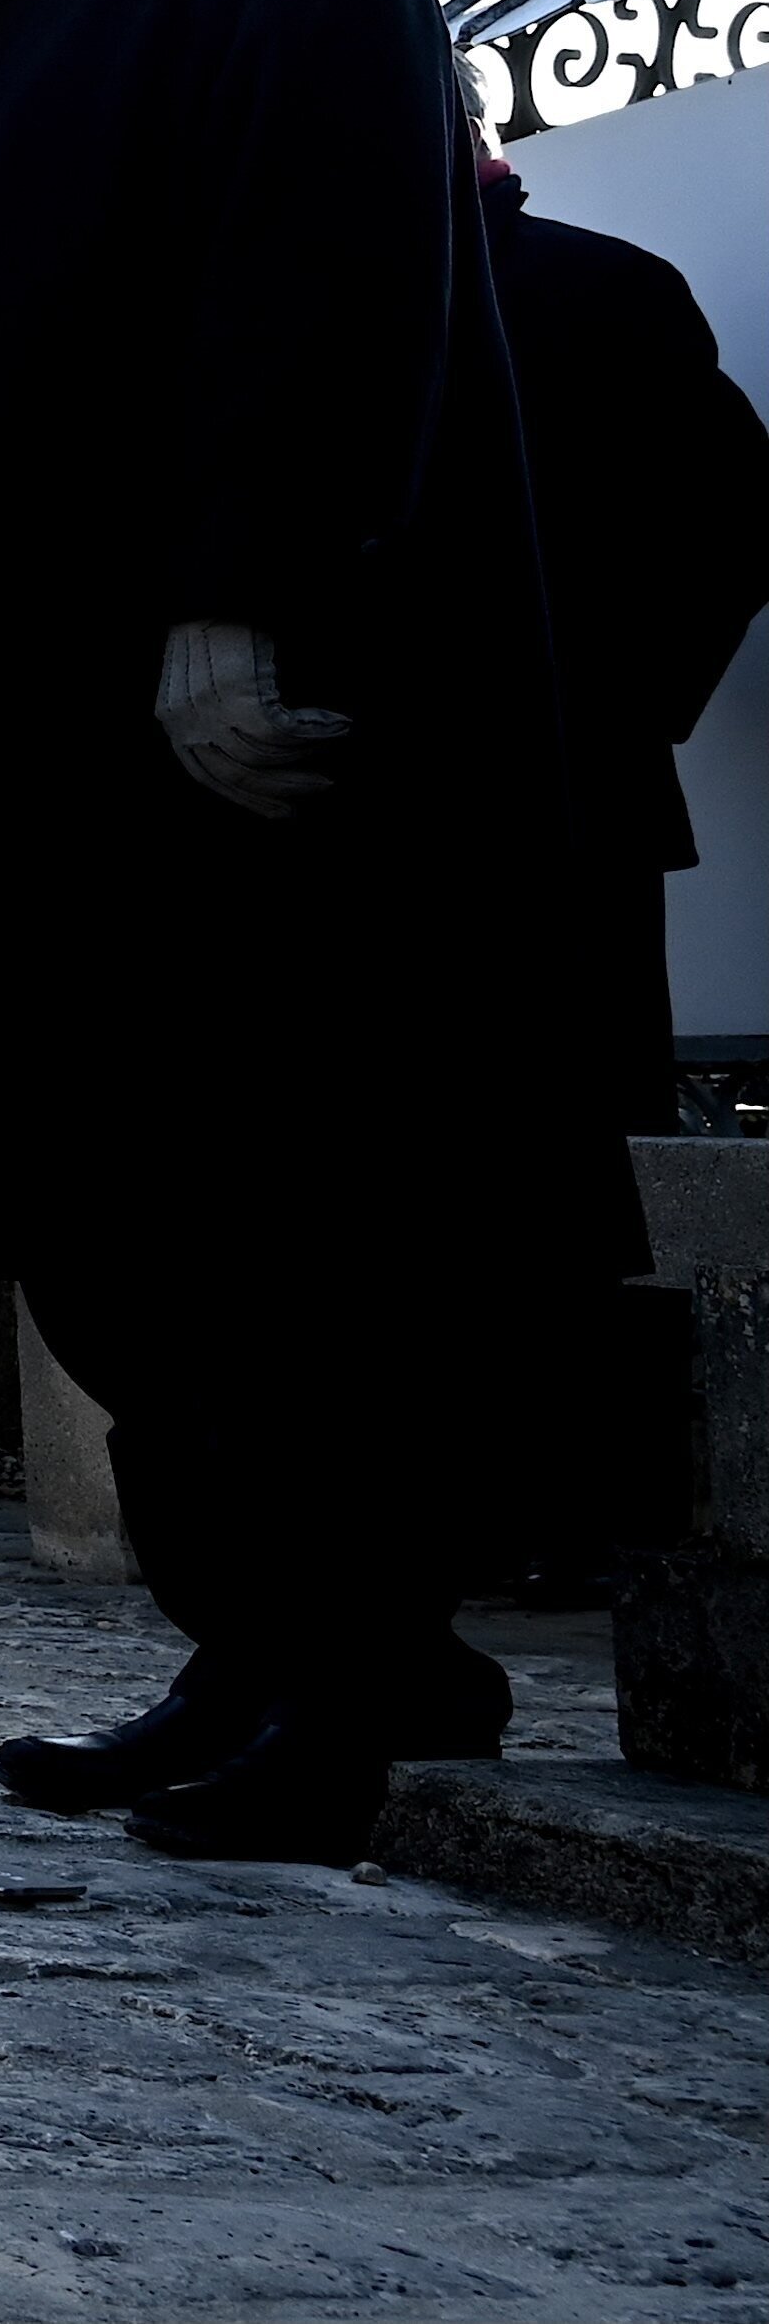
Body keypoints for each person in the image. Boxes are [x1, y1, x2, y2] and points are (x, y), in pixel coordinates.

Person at [0, 0, 593, 1863]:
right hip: (25, 741)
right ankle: (237, 1651)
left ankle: (342, 1684)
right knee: (109, 1219)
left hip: (192, 733)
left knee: (269, 1218)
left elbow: (318, 272)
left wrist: (233, 602)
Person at [480, 139, 769, 1585]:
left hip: (561, 804)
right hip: (373, 813)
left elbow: (728, 519)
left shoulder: (599, 289)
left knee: (572, 1166)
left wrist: (615, 706)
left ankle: (570, 1509)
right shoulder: (308, 298)